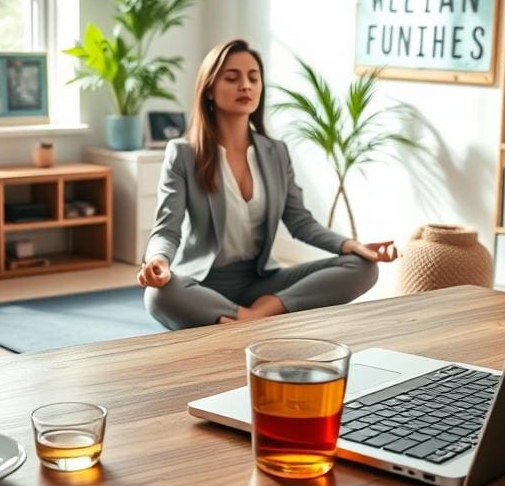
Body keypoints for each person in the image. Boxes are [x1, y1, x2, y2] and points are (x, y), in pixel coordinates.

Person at [137, 38, 396, 329]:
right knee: (157, 296)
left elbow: (300, 222)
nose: (245, 86)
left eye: (253, 78)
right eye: (232, 78)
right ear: (209, 89)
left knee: (363, 267)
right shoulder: (183, 153)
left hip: (261, 282)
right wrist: (158, 261)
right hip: (202, 284)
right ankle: (251, 318)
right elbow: (167, 229)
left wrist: (351, 245)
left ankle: (255, 315)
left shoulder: (276, 152)